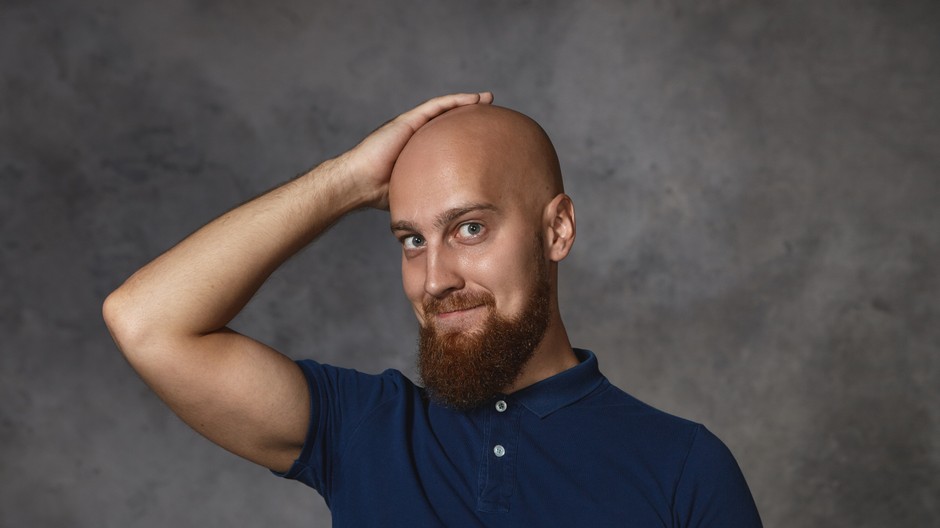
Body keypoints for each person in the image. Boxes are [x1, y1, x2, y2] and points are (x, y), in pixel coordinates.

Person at [103, 92, 762, 526]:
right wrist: (345, 180)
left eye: (470, 228)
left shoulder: (683, 467)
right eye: (412, 240)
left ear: (557, 230)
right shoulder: (363, 431)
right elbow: (146, 320)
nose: (435, 277)